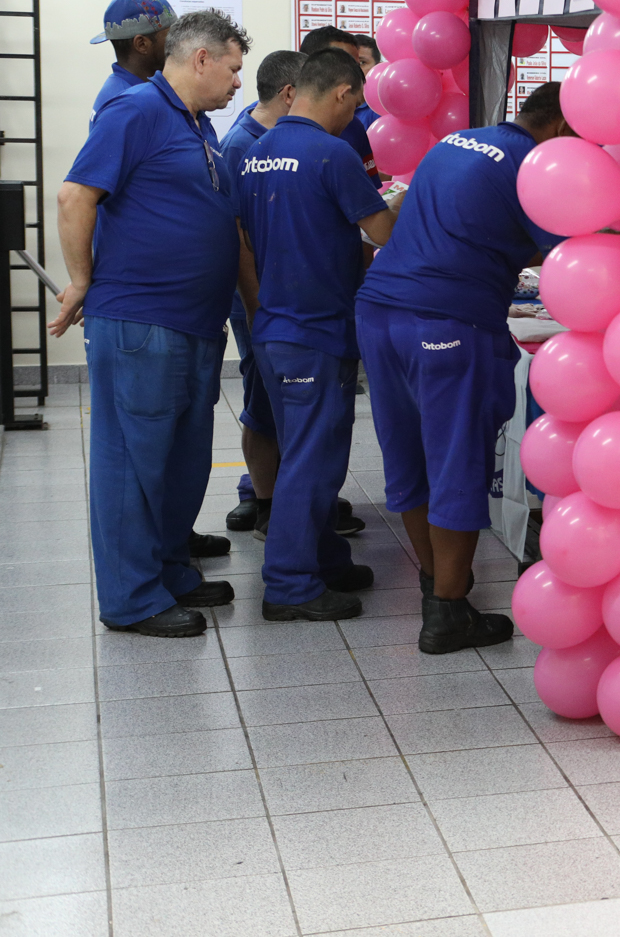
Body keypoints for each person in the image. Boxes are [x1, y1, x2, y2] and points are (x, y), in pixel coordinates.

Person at [55, 9, 251, 637]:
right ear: (200, 59)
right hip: (142, 319)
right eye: (233, 68)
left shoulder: (195, 124)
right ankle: (131, 598)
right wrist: (82, 281)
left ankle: (170, 569)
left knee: (182, 460)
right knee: (132, 463)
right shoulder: (135, 111)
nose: (237, 83)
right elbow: (75, 195)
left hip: (193, 322)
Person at [355, 81, 570, 653]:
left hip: (379, 312)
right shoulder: (539, 165)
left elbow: (456, 225)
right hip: (446, 322)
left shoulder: (456, 141)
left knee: (409, 454)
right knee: (456, 458)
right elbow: (570, 253)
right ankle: (448, 611)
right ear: (562, 129)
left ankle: (436, 586)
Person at [235, 49, 395, 622]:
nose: (353, 114)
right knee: (313, 460)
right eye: (355, 102)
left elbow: (251, 241)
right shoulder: (333, 154)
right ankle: (291, 584)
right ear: (343, 93)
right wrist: (404, 203)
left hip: (276, 326)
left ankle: (324, 557)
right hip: (315, 329)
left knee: (306, 450)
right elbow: (382, 233)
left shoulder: (254, 153)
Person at [217, 50, 301, 535]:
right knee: (263, 396)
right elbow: (237, 235)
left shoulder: (280, 140)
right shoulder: (241, 146)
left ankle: (285, 495)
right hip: (256, 299)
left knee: (281, 397)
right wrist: (254, 307)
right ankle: (265, 499)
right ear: (290, 93)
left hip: (279, 298)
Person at [89, 0, 176, 129]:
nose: (178, 43)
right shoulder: (127, 106)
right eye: (171, 36)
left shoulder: (133, 92)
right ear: (141, 44)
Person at [299, 26, 377, 180]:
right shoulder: (266, 122)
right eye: (345, 64)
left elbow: (366, 190)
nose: (356, 74)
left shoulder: (353, 126)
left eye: (358, 65)